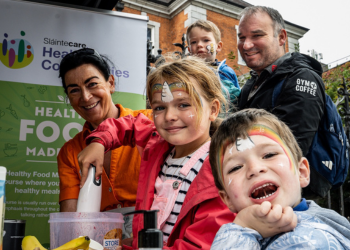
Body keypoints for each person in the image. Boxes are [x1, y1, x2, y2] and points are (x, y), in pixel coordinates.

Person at [77, 57, 238, 249]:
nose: (170, 116)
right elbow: (127, 125)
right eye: (160, 108)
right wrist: (99, 141)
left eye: (184, 105)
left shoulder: (222, 172)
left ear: (213, 109)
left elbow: (199, 245)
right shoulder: (157, 143)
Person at [208, 108, 350, 249]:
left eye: (269, 155)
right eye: (236, 167)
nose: (254, 169)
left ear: (302, 172)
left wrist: (239, 230)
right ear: (226, 198)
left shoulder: (306, 241)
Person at [56, 48, 152, 237]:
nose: (85, 96)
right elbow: (71, 219)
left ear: (111, 83)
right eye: (74, 90)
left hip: (152, 232)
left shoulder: (149, 122)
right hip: (102, 238)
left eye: (92, 84)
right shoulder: (69, 153)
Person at [236, 6, 326, 197]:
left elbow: (292, 146)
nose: (246, 45)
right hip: (258, 192)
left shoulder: (302, 77)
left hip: (293, 199)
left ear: (282, 37)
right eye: (242, 37)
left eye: (256, 35)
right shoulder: (252, 84)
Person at [186, 20, 240, 114]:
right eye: (194, 42)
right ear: (189, 49)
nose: (199, 45)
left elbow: (239, 100)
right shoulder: (187, 72)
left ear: (218, 46)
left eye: (206, 40)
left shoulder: (226, 72)